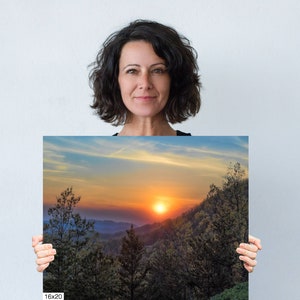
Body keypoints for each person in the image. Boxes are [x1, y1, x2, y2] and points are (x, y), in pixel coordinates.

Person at [32, 19, 262, 273]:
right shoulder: (76, 163)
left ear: (174, 79)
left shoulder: (220, 160)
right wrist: (51, 263)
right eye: (132, 70)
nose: (145, 83)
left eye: (158, 70)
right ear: (115, 80)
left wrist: (242, 261)